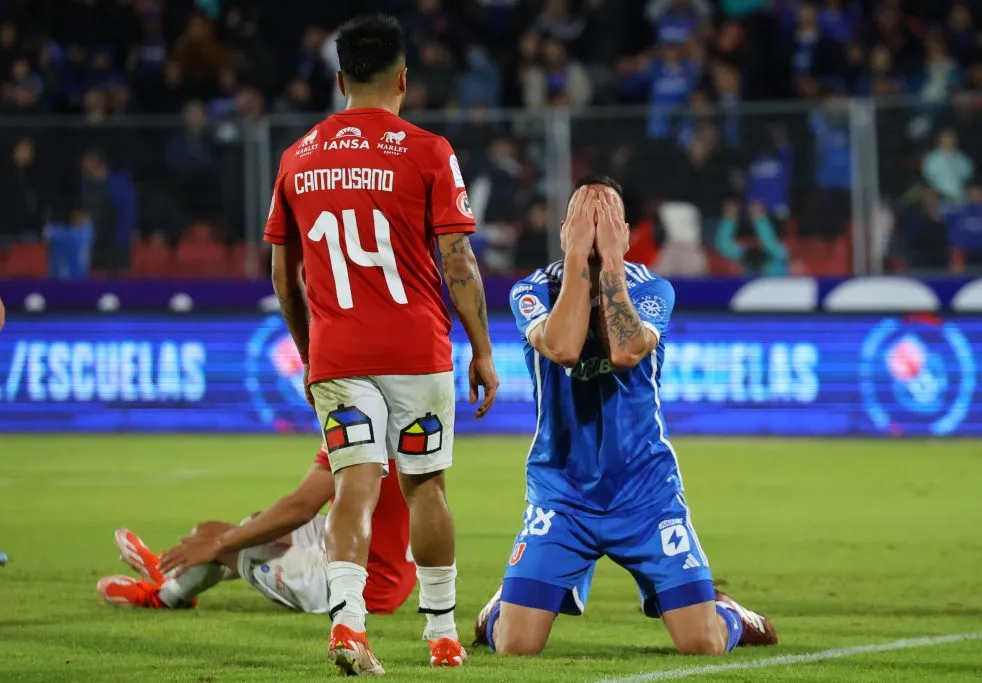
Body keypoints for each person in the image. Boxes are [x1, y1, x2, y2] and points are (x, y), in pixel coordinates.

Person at [263, 13, 498, 676]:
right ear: (403, 79)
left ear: (340, 79)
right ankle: (444, 634)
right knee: (425, 487)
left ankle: (347, 623)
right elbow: (458, 259)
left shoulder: (298, 156)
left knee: (354, 487)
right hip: (417, 352)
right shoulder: (427, 150)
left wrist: (312, 350)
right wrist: (480, 347)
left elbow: (284, 275)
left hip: (340, 355)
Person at [475, 176, 777, 657]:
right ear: (564, 231)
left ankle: (728, 613)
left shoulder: (653, 288)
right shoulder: (532, 290)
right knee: (514, 646)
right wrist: (579, 259)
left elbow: (626, 351)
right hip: (562, 494)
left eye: (606, 219)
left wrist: (610, 262)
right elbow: (563, 348)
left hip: (645, 493)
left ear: (625, 233)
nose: (594, 229)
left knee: (702, 644)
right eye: (583, 219)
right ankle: (501, 609)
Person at [96, 447, 414, 615]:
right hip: (370, 550)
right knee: (239, 526)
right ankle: (172, 567)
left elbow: (300, 508)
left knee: (226, 544)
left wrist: (220, 544)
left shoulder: (352, 421)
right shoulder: (382, 412)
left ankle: (165, 596)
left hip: (367, 586)